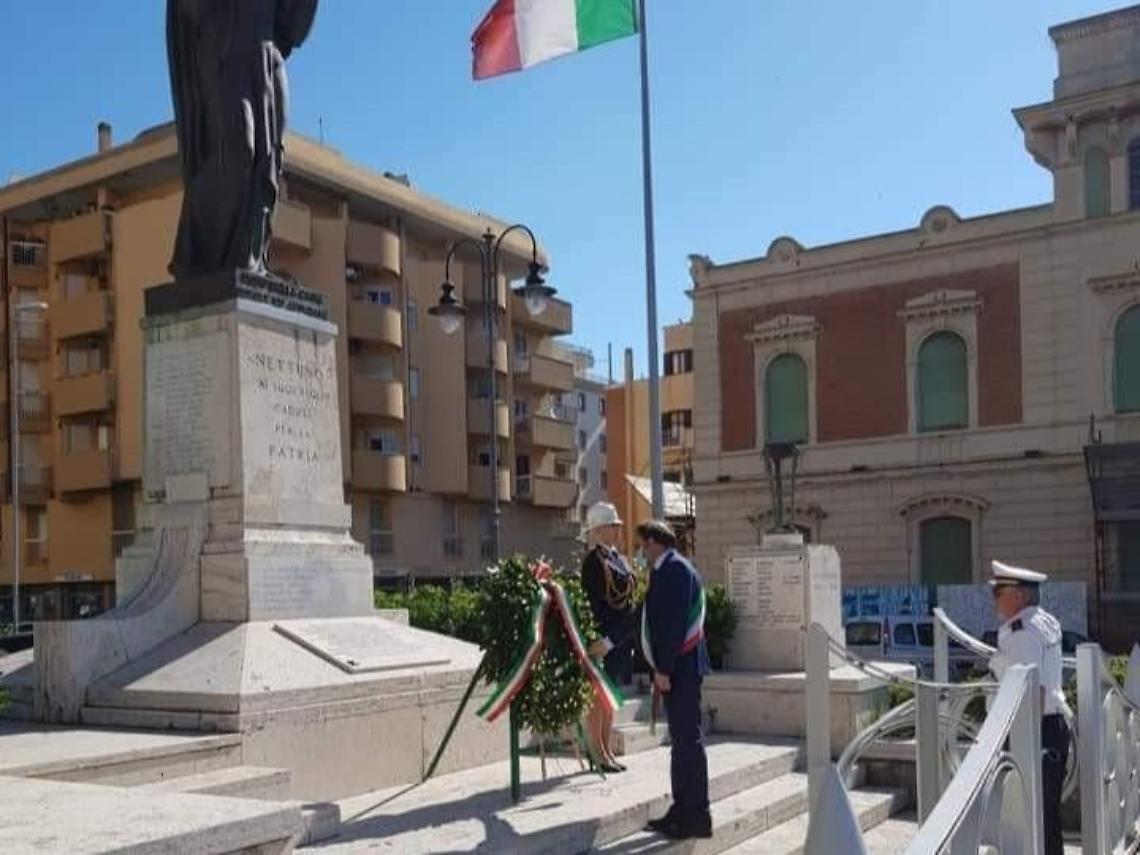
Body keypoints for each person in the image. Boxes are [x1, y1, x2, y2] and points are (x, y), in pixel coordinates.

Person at [989, 559, 1071, 855]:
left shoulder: (1020, 632)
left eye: (999, 592)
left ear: (1020, 596)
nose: (995, 598)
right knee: (1048, 816)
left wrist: (1023, 742)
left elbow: (1032, 692)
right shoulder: (1045, 621)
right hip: (1053, 726)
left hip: (1034, 730)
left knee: (1031, 815)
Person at [638, 519, 712, 840]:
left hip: (679, 669)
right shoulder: (673, 569)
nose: (642, 551)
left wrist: (664, 669)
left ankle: (695, 815)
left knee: (687, 742)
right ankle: (683, 809)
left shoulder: (674, 571)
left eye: (643, 544)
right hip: (680, 668)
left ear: (656, 542)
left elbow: (673, 624)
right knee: (682, 742)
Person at [580, 502, 637, 774]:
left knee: (610, 697)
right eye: (613, 526)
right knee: (599, 698)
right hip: (604, 639)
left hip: (619, 639)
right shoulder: (594, 561)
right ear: (600, 529)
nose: (618, 530)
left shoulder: (617, 559)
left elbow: (627, 599)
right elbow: (594, 604)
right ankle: (597, 751)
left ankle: (606, 749)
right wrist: (601, 639)